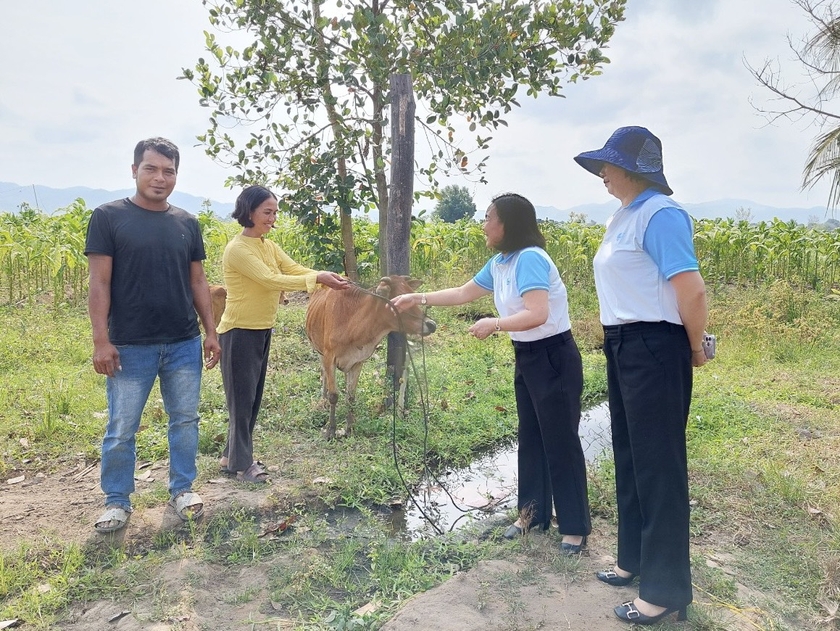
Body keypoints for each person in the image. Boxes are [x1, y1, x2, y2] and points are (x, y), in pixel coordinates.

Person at [393, 193, 591, 555]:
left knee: (560, 440)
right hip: (527, 355)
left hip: (553, 356)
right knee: (531, 436)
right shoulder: (501, 262)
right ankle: (532, 514)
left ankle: (575, 527)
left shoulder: (530, 259)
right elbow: (462, 293)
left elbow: (537, 314)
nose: (483, 225)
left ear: (508, 224)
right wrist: (417, 299)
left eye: (488, 218)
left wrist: (495, 324)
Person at [574, 126, 709, 625]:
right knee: (630, 458)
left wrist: (694, 347)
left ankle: (666, 590)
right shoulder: (623, 217)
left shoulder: (660, 214)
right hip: (624, 344)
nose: (602, 174)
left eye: (608, 166)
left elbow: (690, 290)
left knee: (658, 468)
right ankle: (633, 560)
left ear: (631, 170)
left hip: (655, 346)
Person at [85, 137, 222, 533]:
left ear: (176, 175)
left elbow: (198, 281)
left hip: (182, 343)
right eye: (151, 168)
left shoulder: (186, 223)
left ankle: (182, 489)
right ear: (134, 170)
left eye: (169, 171)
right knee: (122, 426)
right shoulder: (109, 217)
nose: (160, 178)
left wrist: (210, 332)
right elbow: (99, 284)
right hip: (129, 345)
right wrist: (101, 340)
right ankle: (116, 500)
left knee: (184, 420)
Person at [217, 185, 349, 483]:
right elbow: (269, 279)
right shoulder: (238, 249)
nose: (272, 218)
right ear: (248, 211)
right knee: (241, 400)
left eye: (275, 212)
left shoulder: (267, 246)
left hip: (261, 329)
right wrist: (316, 279)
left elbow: (292, 268)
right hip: (239, 332)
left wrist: (326, 277)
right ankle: (242, 466)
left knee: (251, 398)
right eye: (267, 212)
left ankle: (231, 456)